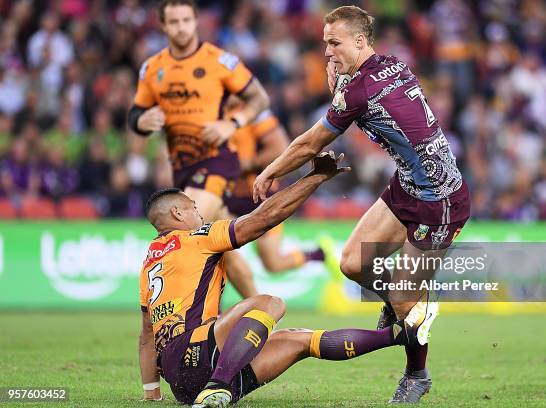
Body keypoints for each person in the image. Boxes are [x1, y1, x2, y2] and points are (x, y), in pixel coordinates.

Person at [253, 5, 471, 403]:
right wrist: (339, 86)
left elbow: (312, 142)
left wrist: (270, 171)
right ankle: (403, 301)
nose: (327, 52)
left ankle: (416, 374)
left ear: (359, 41)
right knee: (352, 262)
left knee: (406, 300)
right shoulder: (392, 63)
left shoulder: (358, 88)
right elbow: (357, 101)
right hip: (409, 185)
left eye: (334, 43)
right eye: (324, 44)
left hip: (440, 202)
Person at [139, 153, 409, 407]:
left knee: (297, 340)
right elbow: (263, 218)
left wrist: (152, 394)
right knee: (269, 303)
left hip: (182, 384)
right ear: (177, 214)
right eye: (193, 208)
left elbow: (147, 336)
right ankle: (218, 385)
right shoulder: (196, 238)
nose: (199, 213)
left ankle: (399, 335)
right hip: (199, 354)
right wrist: (314, 178)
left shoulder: (149, 264)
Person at [127, 0, 269, 299]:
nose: (181, 27)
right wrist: (142, 121)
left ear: (196, 21)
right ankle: (263, 311)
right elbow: (135, 114)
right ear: (164, 26)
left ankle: (189, 326)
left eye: (186, 20)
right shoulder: (152, 69)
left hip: (217, 160)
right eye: (174, 22)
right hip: (182, 167)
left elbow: (259, 98)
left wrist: (232, 123)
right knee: (224, 250)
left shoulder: (219, 61)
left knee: (185, 237)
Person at [223, 96, 332, 274]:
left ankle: (318, 255)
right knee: (219, 254)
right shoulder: (212, 110)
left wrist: (247, 164)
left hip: (259, 195)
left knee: (273, 264)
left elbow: (279, 147)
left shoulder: (254, 113)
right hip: (224, 195)